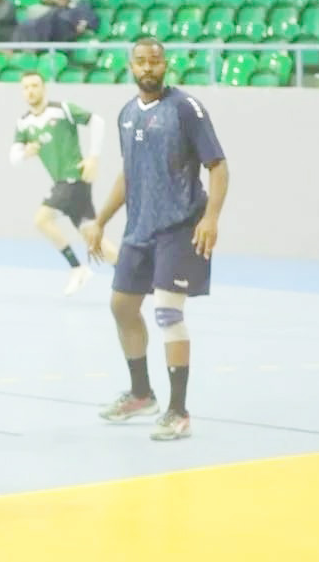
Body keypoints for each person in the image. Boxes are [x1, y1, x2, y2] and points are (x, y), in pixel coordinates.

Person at [80, 37, 229, 442]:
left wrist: (211, 218)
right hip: (139, 228)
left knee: (167, 312)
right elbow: (128, 174)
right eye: (141, 61)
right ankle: (141, 394)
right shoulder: (127, 114)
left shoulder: (185, 108)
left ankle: (178, 412)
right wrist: (100, 220)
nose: (148, 67)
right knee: (121, 306)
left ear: (165, 65)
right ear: (131, 66)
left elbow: (218, 166)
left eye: (155, 61)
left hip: (179, 227)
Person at [9, 71, 117, 295]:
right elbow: (13, 157)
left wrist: (93, 157)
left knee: (41, 220)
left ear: (44, 88)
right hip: (66, 182)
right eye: (26, 87)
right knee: (93, 238)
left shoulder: (62, 110)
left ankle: (77, 268)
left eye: (35, 86)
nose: (30, 91)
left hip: (73, 178)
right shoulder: (24, 123)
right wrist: (26, 153)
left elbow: (97, 121)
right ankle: (136, 277)